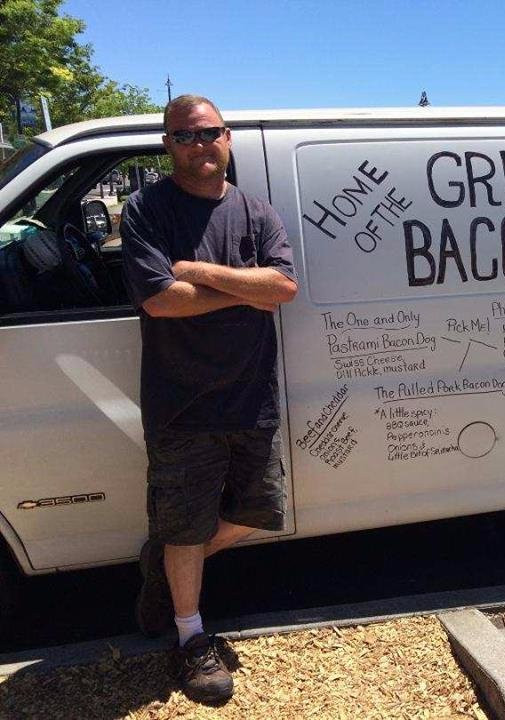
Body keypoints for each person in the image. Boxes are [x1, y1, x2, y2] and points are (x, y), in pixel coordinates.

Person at [121, 94, 298, 705]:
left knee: (256, 512)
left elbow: (284, 288)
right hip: (182, 404)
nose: (200, 144)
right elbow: (161, 300)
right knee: (185, 522)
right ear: (167, 144)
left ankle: (166, 559)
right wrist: (247, 289)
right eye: (185, 136)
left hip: (252, 397)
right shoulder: (146, 209)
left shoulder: (255, 210)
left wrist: (198, 270)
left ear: (227, 138)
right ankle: (190, 636)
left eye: (210, 132)